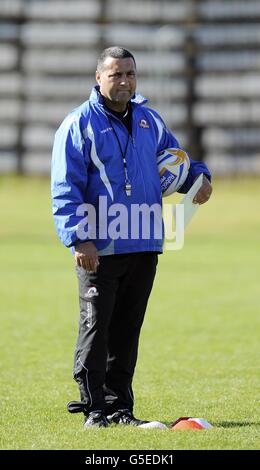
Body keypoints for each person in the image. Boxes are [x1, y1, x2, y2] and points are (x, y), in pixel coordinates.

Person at [51, 46, 212, 428]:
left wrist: (200, 179)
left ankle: (120, 407)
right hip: (99, 249)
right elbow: (64, 188)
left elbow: (176, 159)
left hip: (143, 243)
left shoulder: (149, 120)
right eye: (115, 74)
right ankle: (94, 409)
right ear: (98, 78)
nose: (124, 81)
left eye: (130, 74)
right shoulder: (78, 125)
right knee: (96, 329)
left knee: (126, 332)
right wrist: (79, 238)